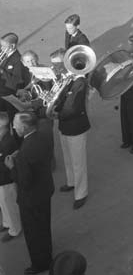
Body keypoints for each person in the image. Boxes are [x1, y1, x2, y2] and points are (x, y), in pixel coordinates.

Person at [7, 111, 54, 274]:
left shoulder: (25, 152)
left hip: (31, 199)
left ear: (25, 128)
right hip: (45, 190)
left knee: (33, 233)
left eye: (16, 125)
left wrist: (12, 167)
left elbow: (24, 181)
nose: (14, 127)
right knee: (44, 226)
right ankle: (47, 253)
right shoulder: (43, 136)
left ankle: (40, 264)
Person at [54, 56, 91, 209]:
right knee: (68, 157)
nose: (60, 68)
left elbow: (73, 108)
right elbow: (61, 99)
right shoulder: (69, 80)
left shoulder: (80, 83)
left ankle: (81, 193)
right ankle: (71, 182)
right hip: (65, 126)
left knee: (78, 162)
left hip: (75, 127)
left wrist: (57, 114)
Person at [0, 112, 21, 242]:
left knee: (9, 204)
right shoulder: (3, 138)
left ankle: (15, 228)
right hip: (2, 179)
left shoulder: (7, 142)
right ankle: (7, 223)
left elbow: (7, 164)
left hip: (6, 180)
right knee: (3, 203)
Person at [0, 32, 30, 119]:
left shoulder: (18, 60)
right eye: (1, 45)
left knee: (10, 119)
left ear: (12, 46)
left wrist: (2, 71)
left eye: (4, 46)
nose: (1, 48)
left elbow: (16, 82)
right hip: (2, 92)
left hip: (9, 96)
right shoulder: (3, 53)